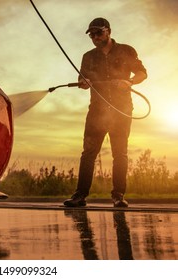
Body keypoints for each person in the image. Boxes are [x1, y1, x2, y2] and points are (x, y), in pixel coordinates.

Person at [64, 17, 147, 208]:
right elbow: (82, 80)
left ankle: (118, 195)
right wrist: (83, 83)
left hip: (122, 111)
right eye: (91, 34)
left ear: (108, 31)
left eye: (98, 33)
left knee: (120, 153)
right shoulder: (88, 57)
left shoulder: (127, 50)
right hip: (97, 112)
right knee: (88, 154)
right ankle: (80, 195)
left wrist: (130, 82)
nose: (94, 37)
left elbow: (142, 73)